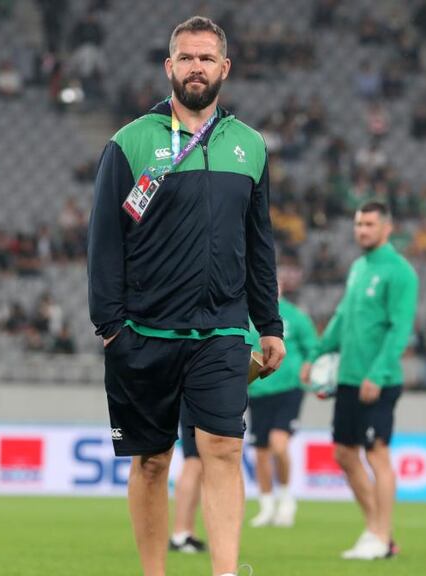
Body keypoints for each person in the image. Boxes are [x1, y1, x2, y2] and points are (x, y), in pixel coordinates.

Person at [87, 16, 285, 576]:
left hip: (222, 330)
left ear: (225, 68)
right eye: (186, 57)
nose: (196, 67)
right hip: (143, 332)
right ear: (168, 67)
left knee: (222, 447)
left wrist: (269, 324)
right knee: (152, 462)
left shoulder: (249, 146)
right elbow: (103, 241)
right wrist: (111, 327)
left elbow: (259, 242)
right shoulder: (130, 143)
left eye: (206, 58)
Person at [305, 201, 418, 560]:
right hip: (350, 378)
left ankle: (381, 537)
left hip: (378, 379)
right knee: (343, 453)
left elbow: (400, 329)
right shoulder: (358, 267)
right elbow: (342, 316)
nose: (361, 231)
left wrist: (378, 373)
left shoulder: (400, 272)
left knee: (377, 453)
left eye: (368, 224)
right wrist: (318, 354)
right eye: (357, 224)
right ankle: (376, 530)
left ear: (386, 227)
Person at [249, 289, 317, 528]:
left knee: (278, 443)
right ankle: (267, 505)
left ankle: (287, 499)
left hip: (288, 387)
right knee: (260, 452)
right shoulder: (246, 315)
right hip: (258, 389)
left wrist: (308, 366)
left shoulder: (295, 316)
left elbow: (312, 347)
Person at [168, 408, 207, 554]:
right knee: (194, 461)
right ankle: (180, 533)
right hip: (197, 398)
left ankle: (187, 532)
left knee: (197, 463)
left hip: (196, 397)